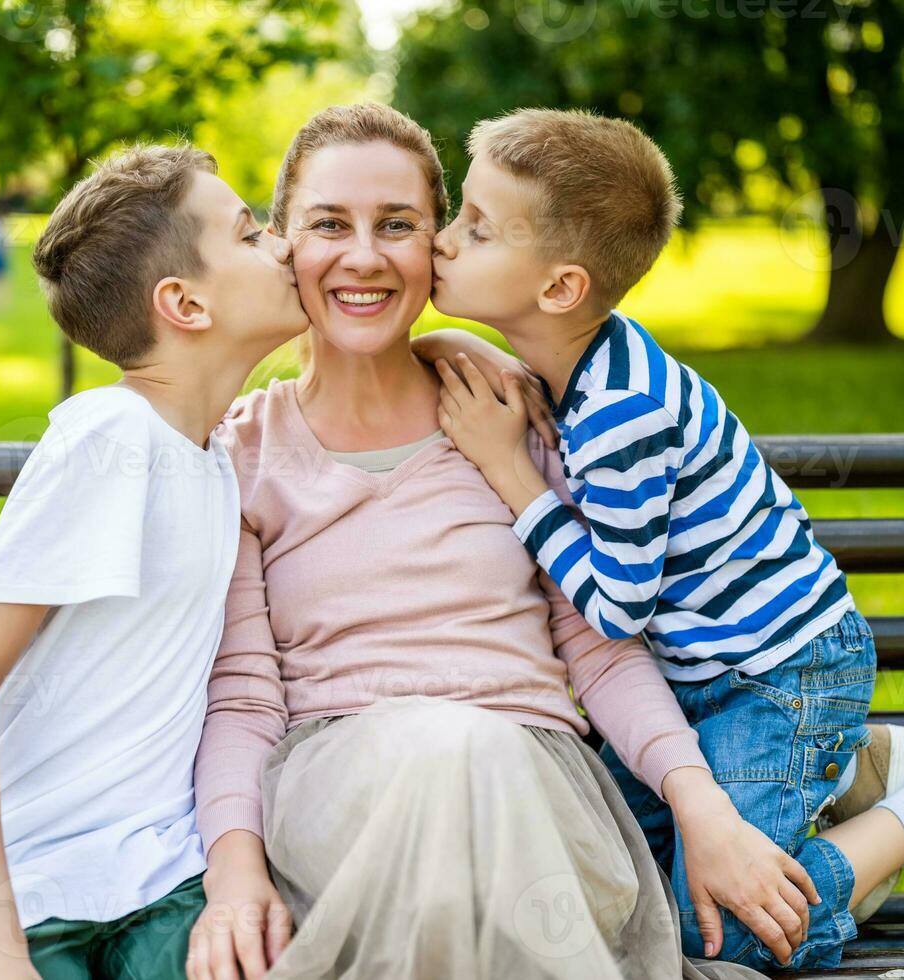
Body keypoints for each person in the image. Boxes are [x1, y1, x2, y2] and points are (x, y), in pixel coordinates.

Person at [186, 103, 814, 980]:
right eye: (329, 223)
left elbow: (601, 649)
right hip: (340, 794)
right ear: (285, 240)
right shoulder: (243, 454)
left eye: (397, 225)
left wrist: (701, 804)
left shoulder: (509, 414)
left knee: (468, 752)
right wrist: (233, 877)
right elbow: (246, 701)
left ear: (436, 244)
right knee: (442, 756)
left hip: (533, 778)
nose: (363, 255)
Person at [429, 107, 904, 971]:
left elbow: (616, 608)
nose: (442, 240)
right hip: (703, 682)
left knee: (712, 936)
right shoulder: (578, 361)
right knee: (608, 879)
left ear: (560, 288)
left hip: (776, 679)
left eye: (475, 227)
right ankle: (840, 774)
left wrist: (510, 473)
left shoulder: (619, 413)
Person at [0, 143, 311, 980]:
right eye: (250, 234)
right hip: (24, 902)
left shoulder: (209, 455)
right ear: (182, 302)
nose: (284, 244)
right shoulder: (111, 439)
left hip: (155, 886)